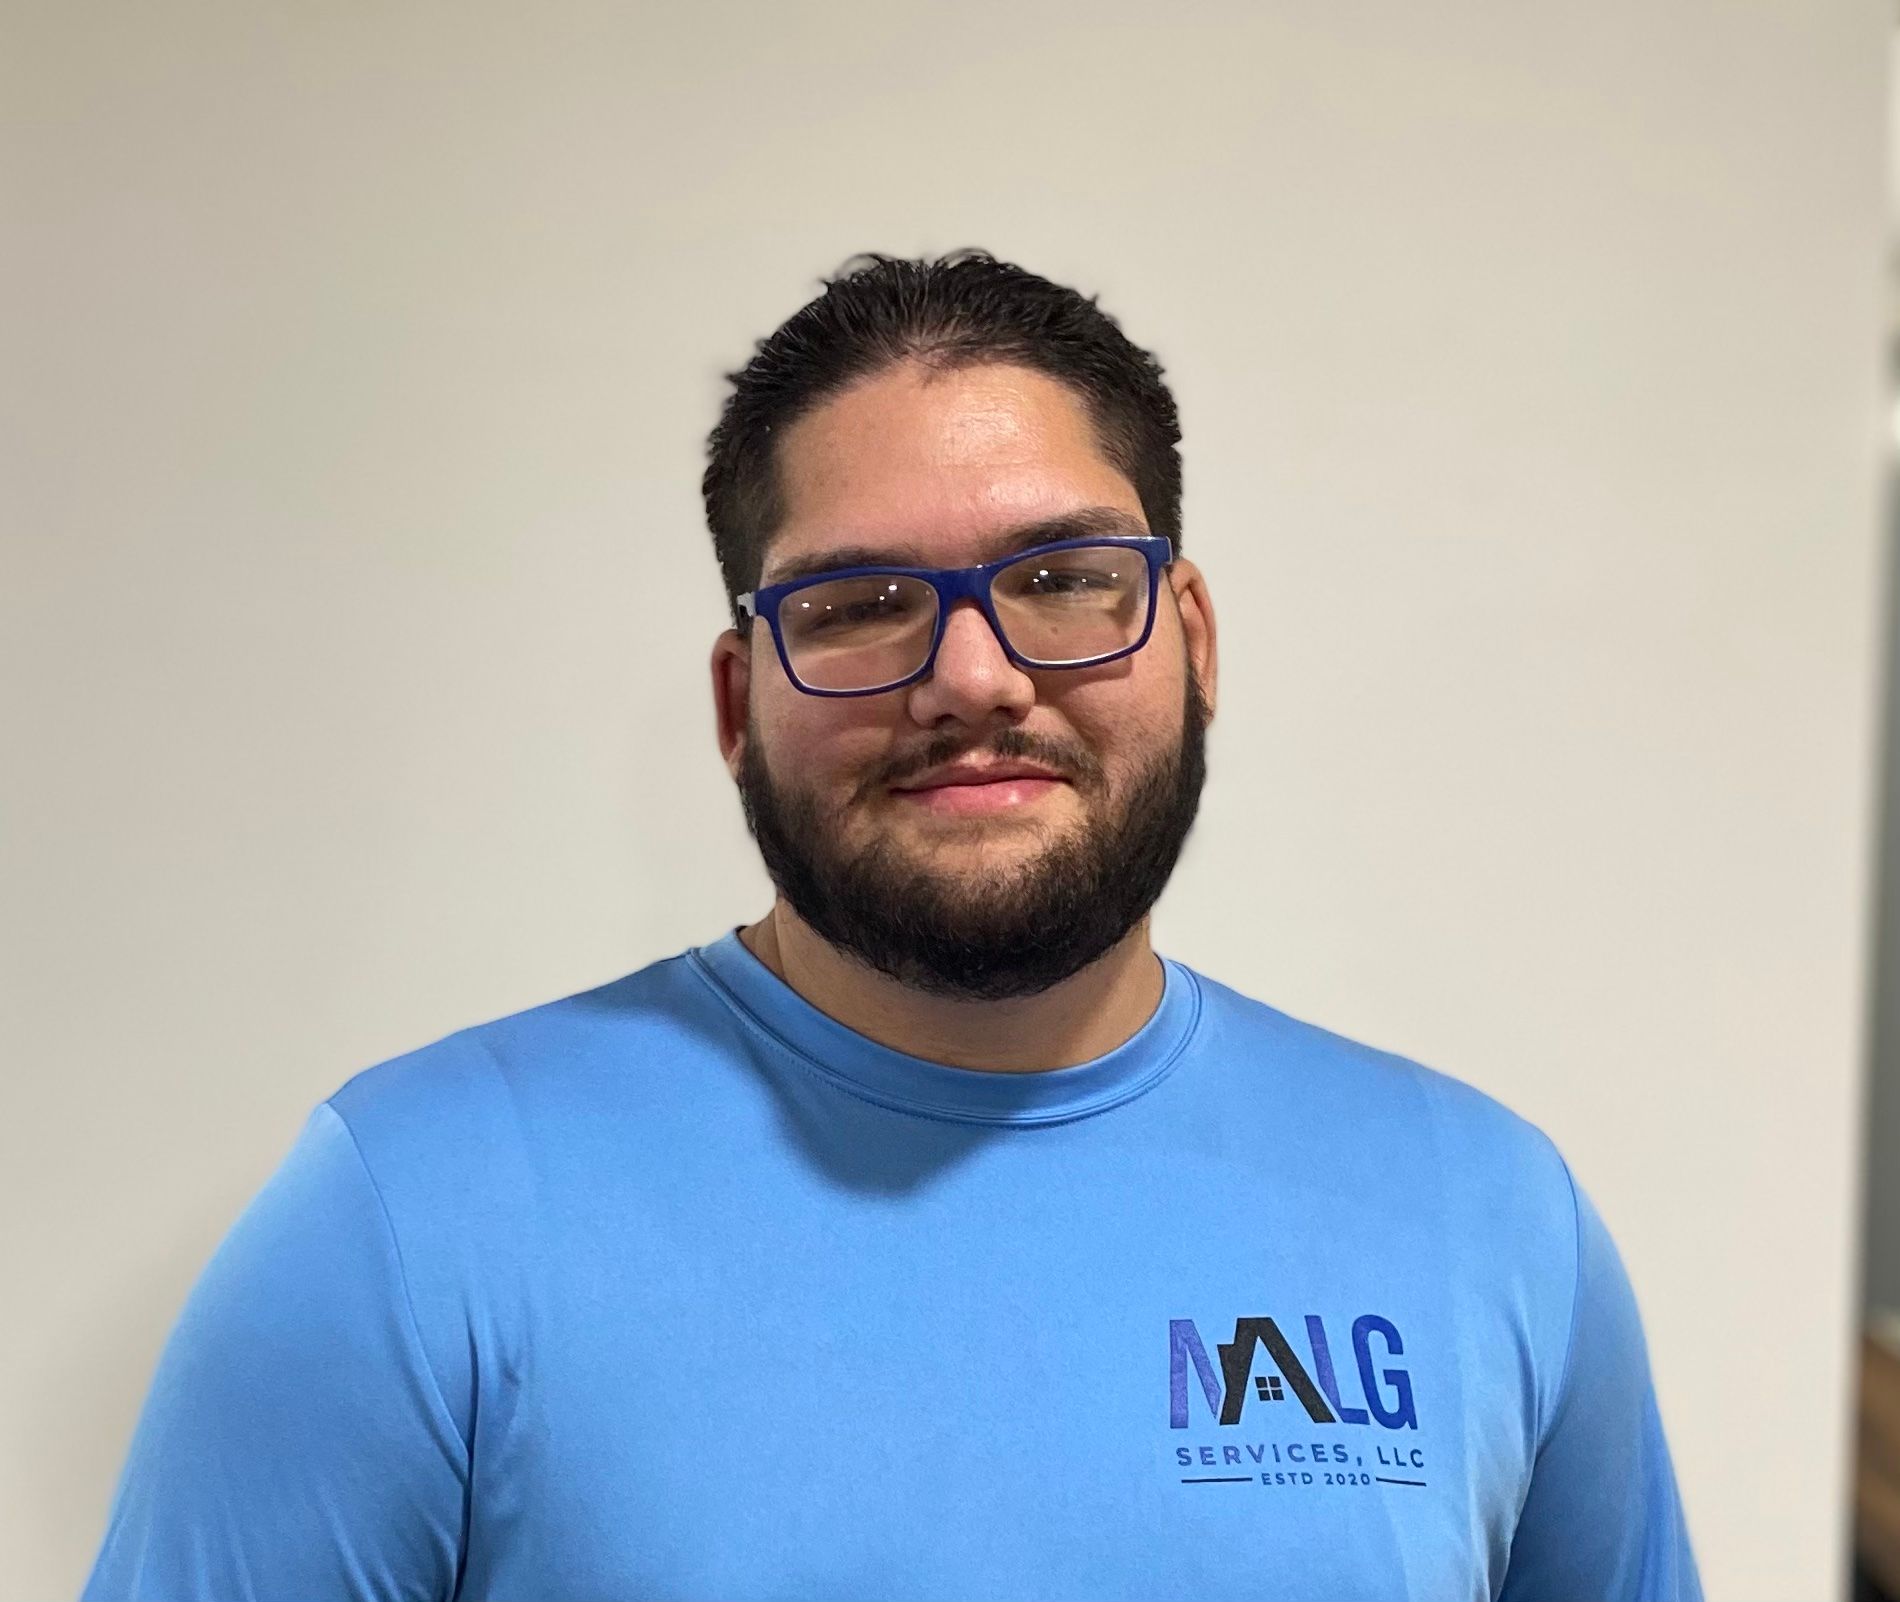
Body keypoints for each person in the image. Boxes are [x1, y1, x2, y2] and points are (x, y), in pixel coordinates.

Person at [79, 250, 1704, 1601]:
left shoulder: (1487, 1214)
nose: (976, 676)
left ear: (1190, 637)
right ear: (740, 701)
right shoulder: (411, 1217)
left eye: (1064, 574)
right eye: (857, 605)